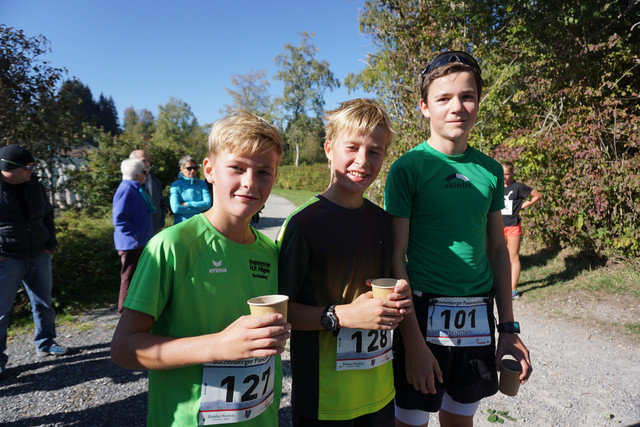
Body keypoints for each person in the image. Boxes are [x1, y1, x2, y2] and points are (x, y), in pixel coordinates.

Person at [110, 111, 290, 426]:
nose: (250, 182)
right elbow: (124, 349)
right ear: (209, 170)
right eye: (237, 168)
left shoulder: (270, 252)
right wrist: (218, 346)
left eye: (264, 172)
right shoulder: (172, 246)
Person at [384, 51, 533, 427]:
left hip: (479, 312)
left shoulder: (490, 170)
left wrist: (509, 329)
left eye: (467, 96)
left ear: (479, 101)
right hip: (421, 311)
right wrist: (414, 343)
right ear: (423, 106)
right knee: (411, 421)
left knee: (460, 418)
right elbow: (395, 257)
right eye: (443, 98)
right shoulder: (407, 170)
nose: (457, 107)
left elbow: (497, 250)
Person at [277, 98, 413, 426]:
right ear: (328, 149)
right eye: (351, 147)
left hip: (380, 392)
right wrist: (344, 315)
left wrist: (403, 296)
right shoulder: (302, 223)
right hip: (326, 400)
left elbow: (394, 285)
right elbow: (281, 312)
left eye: (375, 151)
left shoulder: (384, 221)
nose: (363, 161)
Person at [0, 144, 69, 381]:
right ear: (7, 168)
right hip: (8, 257)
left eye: (33, 166)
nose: (31, 170)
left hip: (39, 253)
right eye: (26, 167)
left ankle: (46, 343)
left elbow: (48, 214)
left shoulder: (34, 185)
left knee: (43, 303)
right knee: (1, 312)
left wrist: (50, 243)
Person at [112, 158, 154, 315]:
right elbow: (119, 219)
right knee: (128, 276)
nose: (146, 175)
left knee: (137, 276)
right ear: (137, 175)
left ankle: (134, 308)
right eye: (144, 172)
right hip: (131, 244)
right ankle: (124, 311)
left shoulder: (135, 188)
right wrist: (135, 234)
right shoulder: (126, 190)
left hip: (138, 242)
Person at [501, 161, 542, 299]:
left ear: (512, 173)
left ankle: (513, 290)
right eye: (502, 174)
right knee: (498, 256)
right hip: (498, 226)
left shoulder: (518, 187)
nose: (504, 177)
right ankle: (498, 286)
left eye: (507, 174)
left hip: (513, 225)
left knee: (513, 257)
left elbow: (537, 195)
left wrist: (523, 206)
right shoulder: (496, 186)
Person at [169, 155, 212, 224]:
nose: (193, 170)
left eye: (195, 168)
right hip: (182, 225)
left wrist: (187, 204)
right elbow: (175, 208)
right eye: (189, 168)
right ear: (181, 169)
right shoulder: (176, 185)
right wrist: (199, 209)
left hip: (199, 224)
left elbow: (207, 204)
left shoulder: (202, 184)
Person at [130, 150, 165, 233]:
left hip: (155, 230)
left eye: (148, 161)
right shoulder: (129, 186)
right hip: (138, 235)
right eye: (143, 161)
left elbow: (160, 204)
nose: (148, 164)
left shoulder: (155, 181)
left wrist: (161, 223)